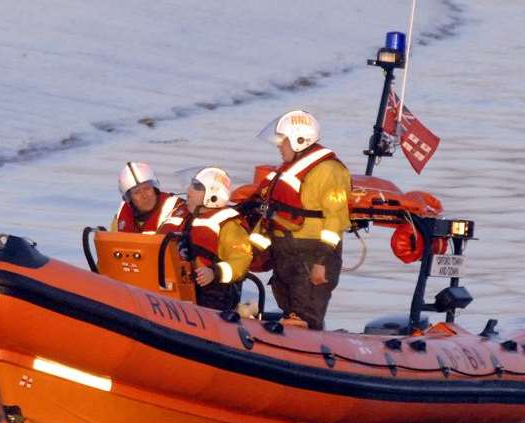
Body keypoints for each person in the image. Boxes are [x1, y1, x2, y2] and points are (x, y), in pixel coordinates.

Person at [251, 110, 352, 330]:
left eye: (283, 141)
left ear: (299, 141)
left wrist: (321, 262)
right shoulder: (287, 171)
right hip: (285, 256)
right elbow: (271, 214)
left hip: (312, 256)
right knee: (291, 317)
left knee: (302, 321)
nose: (279, 146)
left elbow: (334, 220)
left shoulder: (329, 171)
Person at [161, 167, 253, 311]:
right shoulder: (179, 214)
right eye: (192, 184)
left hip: (210, 296)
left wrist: (214, 272)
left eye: (197, 187)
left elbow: (241, 260)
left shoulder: (228, 225)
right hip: (170, 287)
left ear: (213, 195)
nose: (189, 190)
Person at [110, 162, 183, 234]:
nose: (144, 196)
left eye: (147, 188)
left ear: (154, 189)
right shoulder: (119, 220)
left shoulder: (176, 209)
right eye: (137, 192)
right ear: (129, 199)